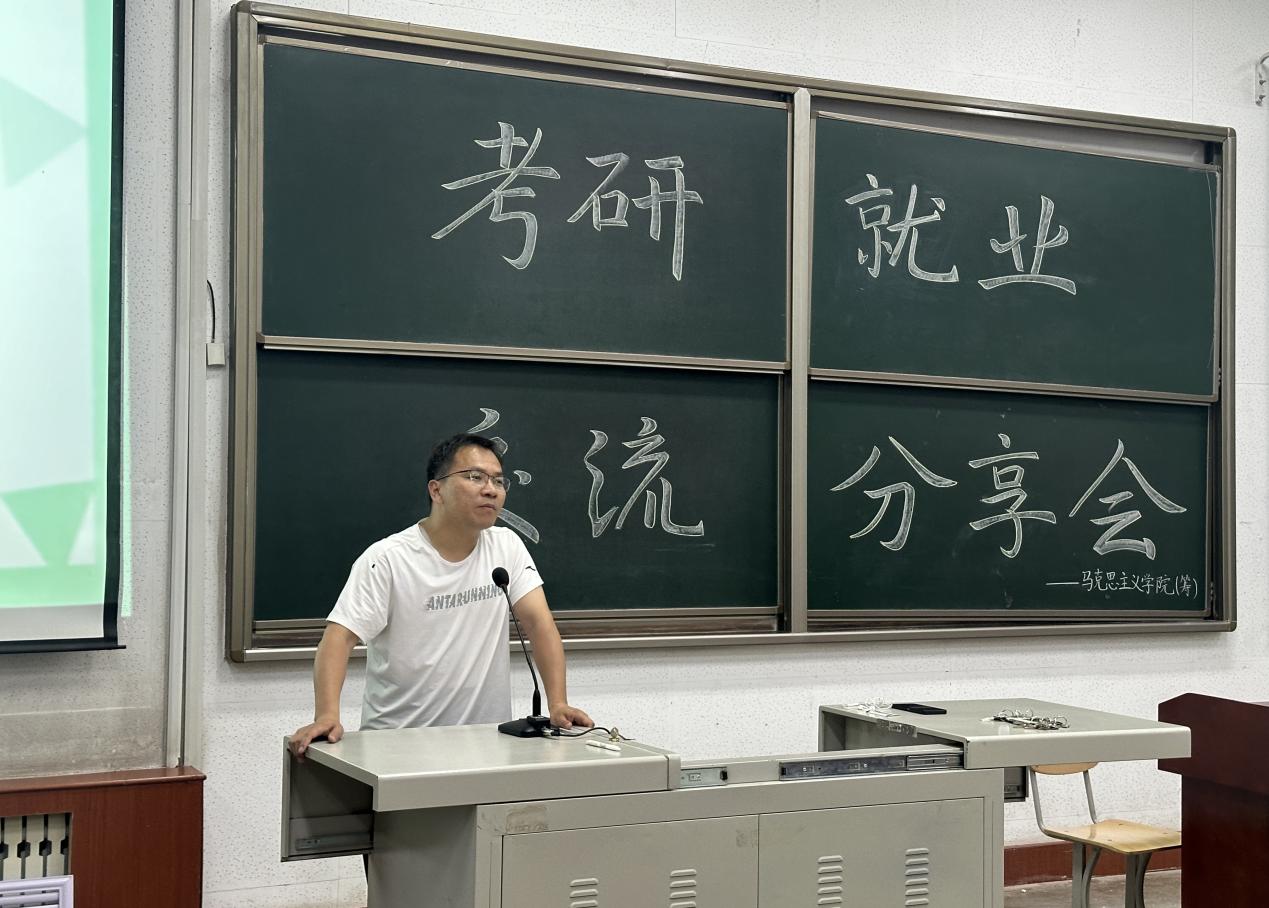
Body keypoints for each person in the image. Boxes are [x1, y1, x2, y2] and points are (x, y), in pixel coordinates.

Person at [289, 433, 591, 756]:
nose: (490, 489)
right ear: (436, 490)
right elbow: (338, 638)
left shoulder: (507, 547)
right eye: (475, 477)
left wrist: (557, 702)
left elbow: (539, 624)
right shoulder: (389, 559)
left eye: (498, 481)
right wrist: (327, 715)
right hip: (398, 748)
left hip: (486, 745)